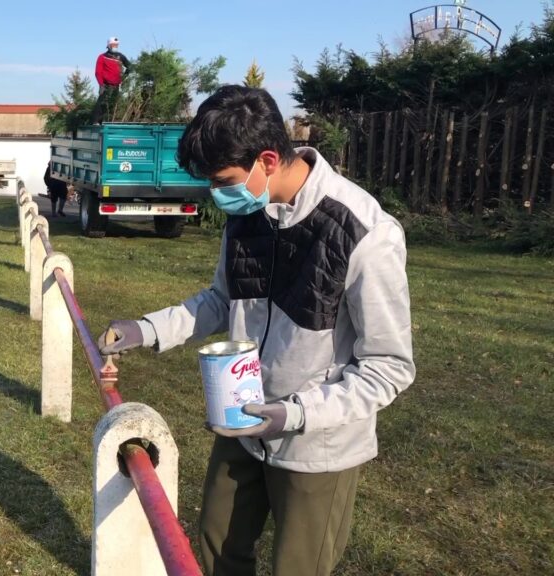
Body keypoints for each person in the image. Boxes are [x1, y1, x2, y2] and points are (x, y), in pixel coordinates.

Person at [96, 85, 415, 576]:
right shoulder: (245, 215)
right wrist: (146, 329)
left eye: (223, 180)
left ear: (268, 159)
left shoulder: (365, 232)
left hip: (318, 447)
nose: (216, 195)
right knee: (217, 544)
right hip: (241, 429)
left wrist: (295, 414)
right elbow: (222, 300)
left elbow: (387, 368)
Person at [90, 37, 132, 124]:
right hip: (105, 85)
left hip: (116, 85)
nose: (115, 46)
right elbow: (98, 72)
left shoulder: (120, 56)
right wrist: (101, 85)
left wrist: (123, 78)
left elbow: (130, 67)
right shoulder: (102, 57)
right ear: (109, 45)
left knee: (112, 105)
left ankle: (108, 121)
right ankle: (96, 121)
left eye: (117, 45)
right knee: (102, 103)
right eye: (113, 45)